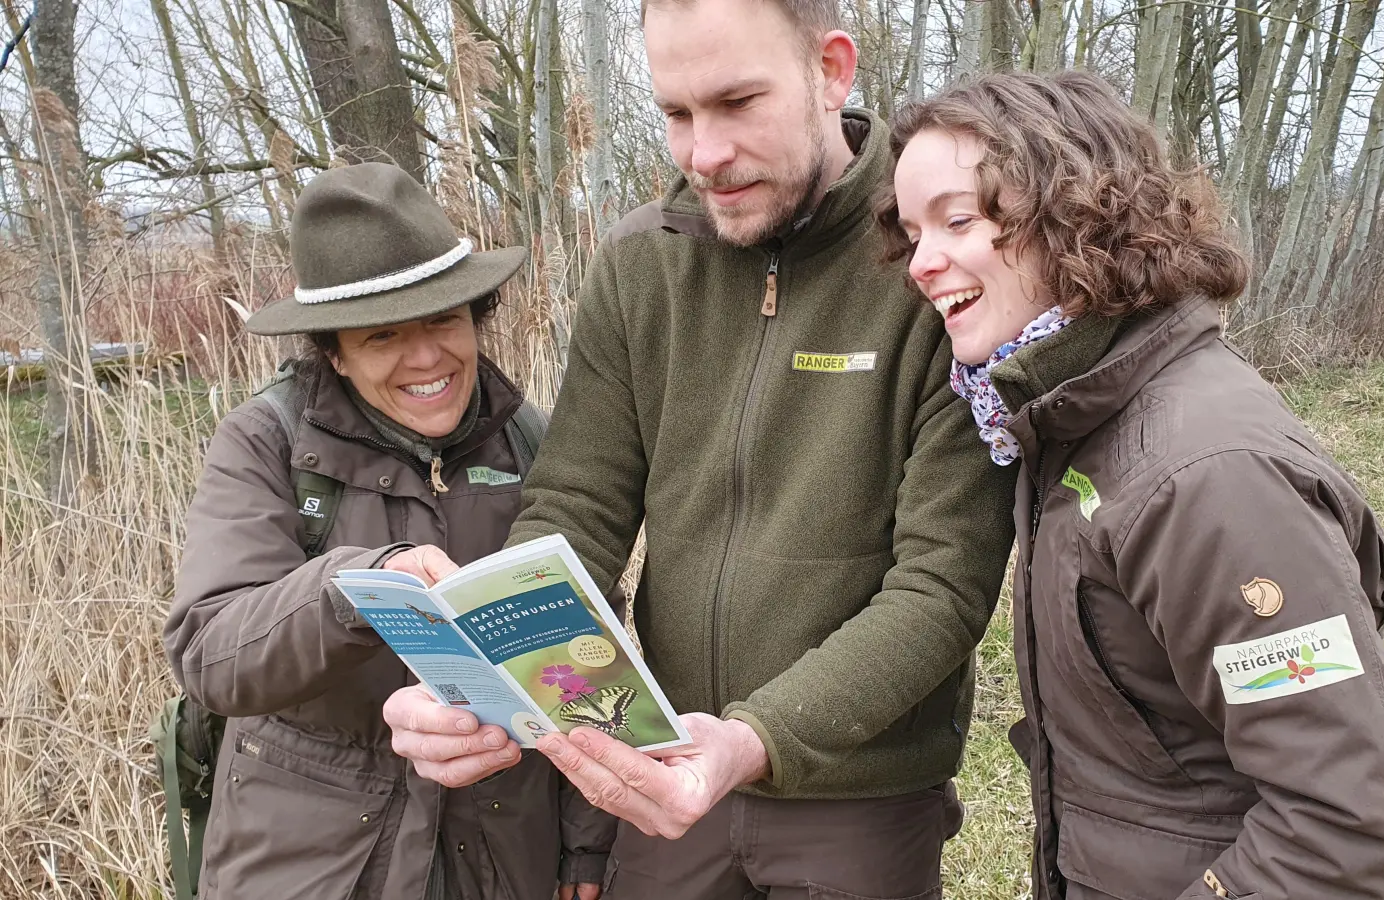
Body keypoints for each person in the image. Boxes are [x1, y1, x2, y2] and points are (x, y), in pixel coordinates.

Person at [378, 0, 1016, 896]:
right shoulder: (641, 265)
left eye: (737, 102)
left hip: (859, 797)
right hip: (664, 770)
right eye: (677, 114)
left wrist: (757, 739)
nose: (703, 154)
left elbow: (942, 588)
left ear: (831, 71)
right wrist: (486, 678)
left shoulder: (930, 265)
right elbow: (577, 510)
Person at [878, 72, 1384, 900]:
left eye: (959, 220)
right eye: (913, 231)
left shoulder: (1204, 476)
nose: (923, 263)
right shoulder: (1069, 417)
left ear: (1076, 213)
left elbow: (1346, 822)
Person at [164, 163, 603, 900]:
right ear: (334, 352)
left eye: (444, 320)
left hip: (503, 855)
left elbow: (590, 652)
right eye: (384, 335)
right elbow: (211, 653)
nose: (427, 357)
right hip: (313, 863)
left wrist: (586, 848)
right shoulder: (265, 443)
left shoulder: (532, 443)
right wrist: (356, 590)